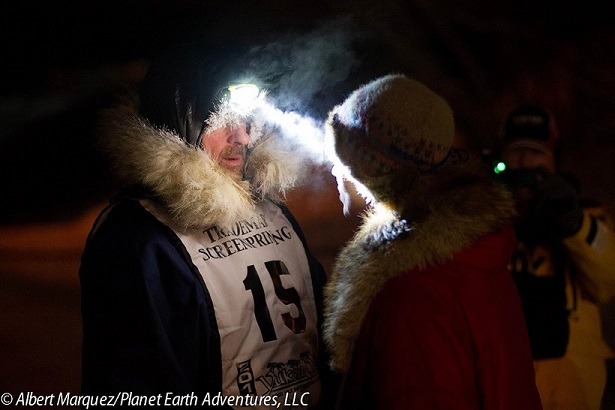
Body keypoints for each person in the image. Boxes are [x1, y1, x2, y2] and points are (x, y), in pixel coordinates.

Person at [79, 41, 332, 409]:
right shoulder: (137, 239)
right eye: (221, 120)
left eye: (247, 120)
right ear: (179, 120)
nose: (241, 137)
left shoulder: (274, 213)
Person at [320, 74, 542, 409]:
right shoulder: (473, 244)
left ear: (377, 168)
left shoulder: (410, 292)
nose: (343, 177)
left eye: (349, 166)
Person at [494, 105, 615, 410]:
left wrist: (572, 221)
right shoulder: (483, 224)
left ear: (555, 163)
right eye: (515, 152)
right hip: (503, 378)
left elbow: (608, 280)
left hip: (573, 386)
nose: (524, 163)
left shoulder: (589, 217)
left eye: (536, 153)